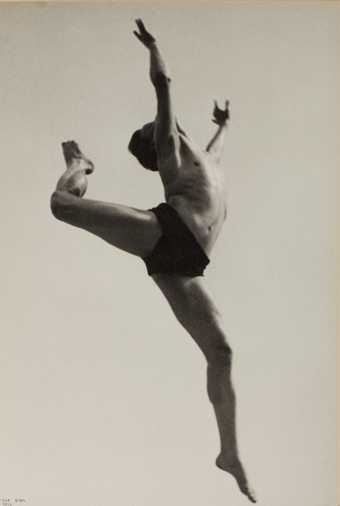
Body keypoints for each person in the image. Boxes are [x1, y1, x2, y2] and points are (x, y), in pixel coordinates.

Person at [50, 19, 256, 503]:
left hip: (184, 264)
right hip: (165, 231)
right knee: (62, 206)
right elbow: (163, 86)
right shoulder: (168, 150)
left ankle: (229, 453)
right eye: (153, 127)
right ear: (155, 141)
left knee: (222, 352)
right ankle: (80, 164)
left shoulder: (205, 160)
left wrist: (224, 124)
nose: (157, 124)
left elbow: (214, 150)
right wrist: (154, 45)